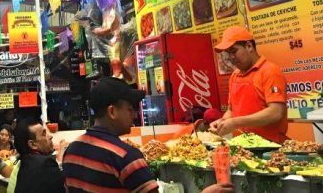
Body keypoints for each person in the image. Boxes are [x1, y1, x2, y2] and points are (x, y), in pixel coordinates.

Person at [63, 78, 232, 193]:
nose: (134, 114)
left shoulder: (71, 151)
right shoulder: (126, 157)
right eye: (130, 108)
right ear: (112, 111)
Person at [209, 26, 289, 144]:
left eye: (234, 51)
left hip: (270, 146)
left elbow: (276, 113)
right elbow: (232, 110)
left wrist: (236, 122)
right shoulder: (235, 75)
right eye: (228, 53)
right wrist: (222, 122)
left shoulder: (270, 71)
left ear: (249, 46)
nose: (231, 58)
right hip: (242, 146)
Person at [12, 119, 64, 193]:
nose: (50, 136)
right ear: (33, 144)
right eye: (44, 134)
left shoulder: (25, 162)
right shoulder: (46, 164)